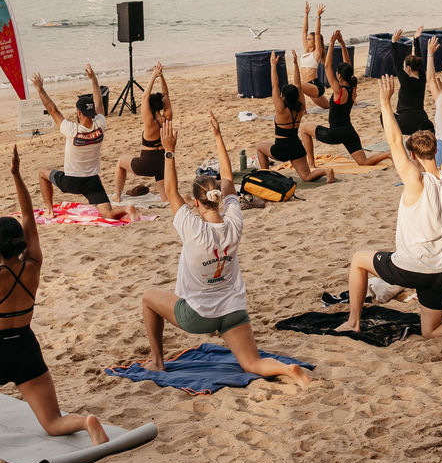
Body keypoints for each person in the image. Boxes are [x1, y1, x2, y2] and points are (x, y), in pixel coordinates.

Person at [0, 148, 110, 442]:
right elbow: (30, 215)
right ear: (21, 242)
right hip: (26, 353)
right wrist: (17, 175)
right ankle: (85, 422)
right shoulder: (34, 264)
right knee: (53, 422)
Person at [139, 112, 313, 384]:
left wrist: (169, 151)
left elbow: (170, 191)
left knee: (149, 296)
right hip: (233, 311)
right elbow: (229, 180)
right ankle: (286, 370)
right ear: (217, 200)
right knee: (252, 363)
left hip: (198, 317)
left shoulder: (193, 229)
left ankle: (157, 361)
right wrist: (219, 137)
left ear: (196, 203)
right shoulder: (234, 221)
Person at [337, 76, 442, 345]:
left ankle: (354, 321)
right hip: (439, 273)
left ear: (415, 157)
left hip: (411, 269)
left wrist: (384, 102)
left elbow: (395, 141)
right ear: (435, 151)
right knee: (430, 330)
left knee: (359, 259)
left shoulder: (416, 181)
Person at [32, 65, 124, 221]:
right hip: (92, 182)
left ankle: (50, 210)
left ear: (79, 112)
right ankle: (128, 209)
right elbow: (99, 102)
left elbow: (53, 109)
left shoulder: (72, 129)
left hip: (72, 182)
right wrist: (93, 79)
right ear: (92, 112)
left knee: (42, 172)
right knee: (108, 214)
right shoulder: (100, 125)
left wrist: (40, 89)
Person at [248, 52, 336, 185]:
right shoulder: (300, 108)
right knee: (307, 176)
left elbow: (274, 86)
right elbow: (299, 86)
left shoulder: (281, 110)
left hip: (281, 149)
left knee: (260, 147)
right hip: (296, 148)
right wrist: (295, 64)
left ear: (283, 97)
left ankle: (265, 176)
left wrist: (273, 65)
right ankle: (326, 171)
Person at [113, 62, 174, 200]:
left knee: (121, 161)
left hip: (146, 163)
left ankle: (117, 196)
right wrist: (162, 77)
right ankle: (164, 197)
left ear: (150, 107)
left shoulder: (150, 123)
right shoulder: (167, 119)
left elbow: (144, 97)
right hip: (163, 162)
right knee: (164, 199)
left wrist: (153, 76)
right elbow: (166, 95)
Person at [306, 32, 369, 164]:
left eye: (337, 73)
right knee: (363, 162)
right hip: (349, 132)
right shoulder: (353, 86)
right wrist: (342, 43)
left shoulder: (338, 90)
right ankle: (388, 155)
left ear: (339, 76)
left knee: (304, 129)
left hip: (334, 134)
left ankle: (311, 164)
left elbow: (327, 66)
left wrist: (332, 42)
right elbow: (348, 65)